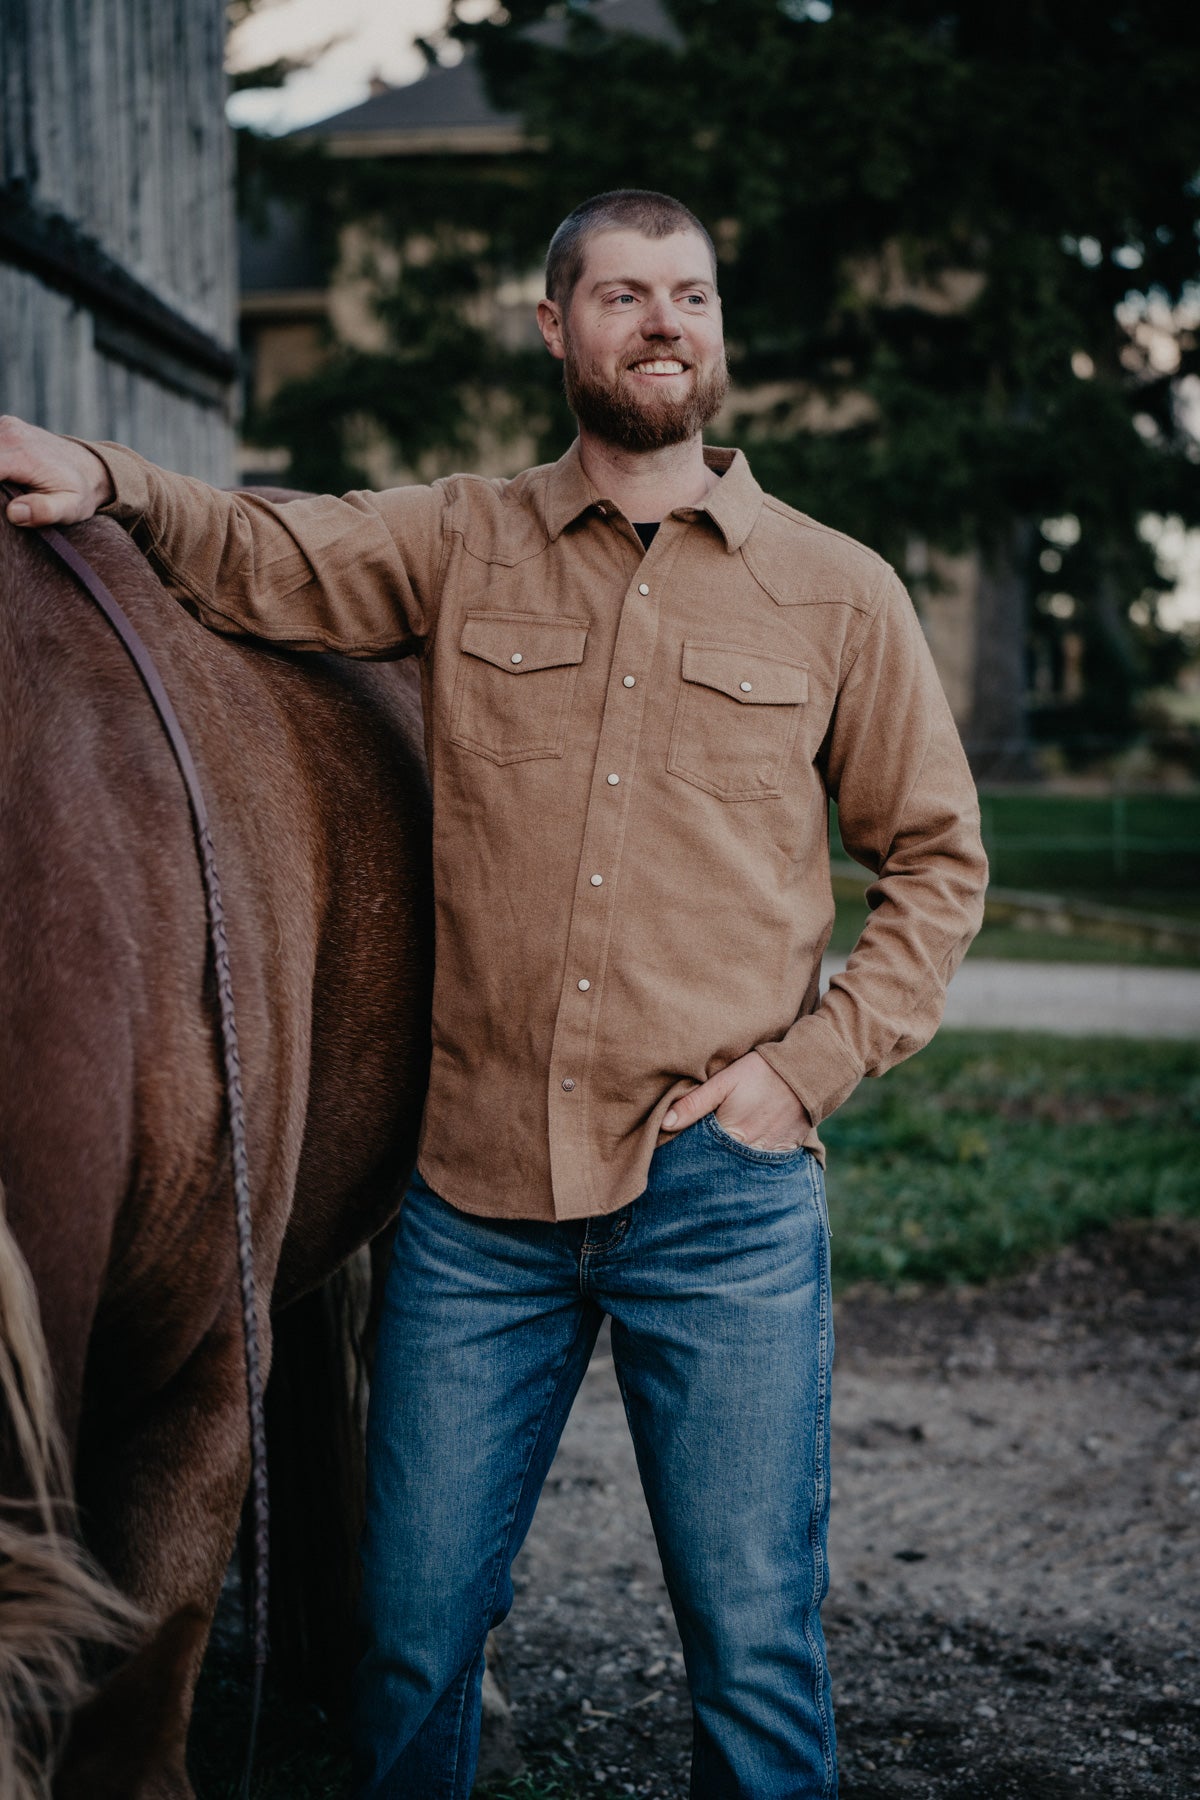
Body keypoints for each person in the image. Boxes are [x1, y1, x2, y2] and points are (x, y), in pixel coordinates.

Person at [0, 188, 987, 1799]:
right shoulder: (460, 543)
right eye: (623, 295)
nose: (663, 322)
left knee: (752, 1650)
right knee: (404, 1648)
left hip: (718, 1201)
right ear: (556, 329)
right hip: (474, 1208)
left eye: (691, 295)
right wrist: (108, 481)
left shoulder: (839, 594)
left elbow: (938, 866)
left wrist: (802, 1075)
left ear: (719, 330)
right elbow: (265, 549)